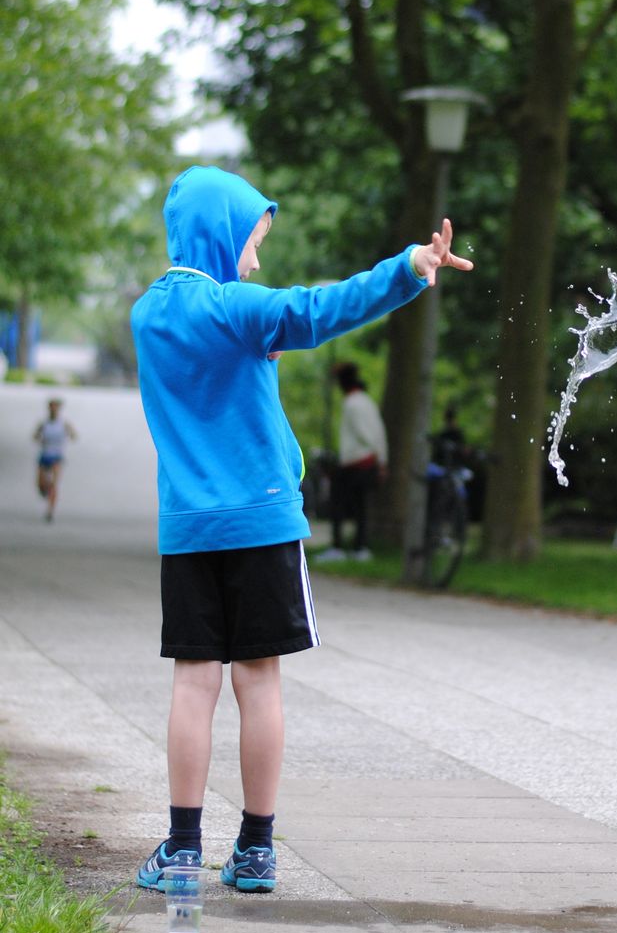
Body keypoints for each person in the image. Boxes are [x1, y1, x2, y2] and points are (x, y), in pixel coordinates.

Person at [130, 165, 473, 890]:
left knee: (194, 683)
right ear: (222, 233)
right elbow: (320, 310)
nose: (255, 259)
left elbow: (211, 373)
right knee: (261, 682)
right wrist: (408, 269)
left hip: (189, 528)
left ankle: (183, 850)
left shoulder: (149, 317)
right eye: (252, 240)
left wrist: (259, 352)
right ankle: (255, 850)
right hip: (262, 521)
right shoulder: (238, 309)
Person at [319, 362, 387, 562]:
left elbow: (364, 433)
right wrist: (381, 459)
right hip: (368, 462)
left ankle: (338, 547)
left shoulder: (351, 403)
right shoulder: (367, 401)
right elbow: (379, 432)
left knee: (338, 506)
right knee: (361, 507)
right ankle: (360, 547)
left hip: (354, 462)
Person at [33, 398, 77, 522]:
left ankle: (50, 511)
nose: (53, 409)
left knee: (54, 484)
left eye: (55, 407)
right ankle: (45, 490)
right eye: (51, 407)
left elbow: (74, 436)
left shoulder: (63, 423)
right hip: (44, 455)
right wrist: (40, 439)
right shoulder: (43, 423)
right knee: (40, 485)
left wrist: (68, 435)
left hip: (57, 456)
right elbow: (35, 436)